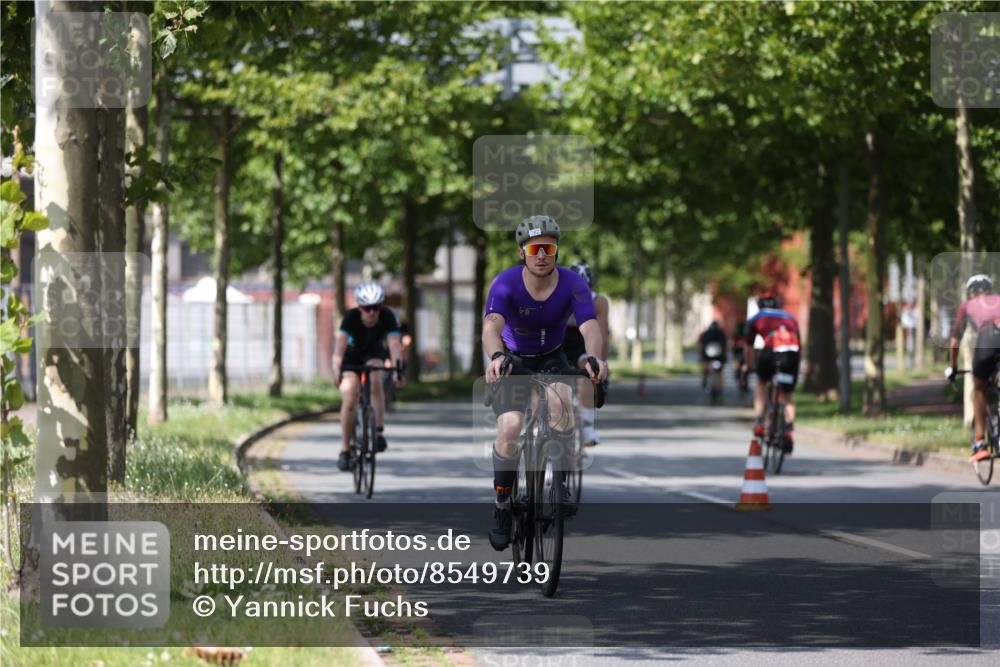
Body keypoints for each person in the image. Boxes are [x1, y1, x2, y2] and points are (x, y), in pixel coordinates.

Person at [483, 215, 608, 551]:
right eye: (535, 249)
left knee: (561, 402)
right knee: (511, 426)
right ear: (522, 252)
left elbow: (589, 325)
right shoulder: (505, 283)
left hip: (552, 356)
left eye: (548, 249)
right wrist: (496, 356)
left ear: (556, 252)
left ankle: (560, 484)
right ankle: (502, 505)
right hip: (513, 359)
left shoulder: (572, 283)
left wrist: (595, 357)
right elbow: (491, 326)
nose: (541, 255)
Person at [332, 282, 405, 472]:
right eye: (367, 308)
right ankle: (345, 449)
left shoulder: (387, 316)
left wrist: (398, 370)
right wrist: (336, 368)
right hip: (351, 359)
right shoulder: (350, 317)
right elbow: (339, 347)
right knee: (350, 394)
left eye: (376, 308)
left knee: (376, 379)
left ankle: (378, 431)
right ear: (359, 307)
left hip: (374, 354)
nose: (372, 312)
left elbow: (394, 344)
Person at [945, 274, 1000, 461]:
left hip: (988, 339)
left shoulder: (967, 306)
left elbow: (954, 342)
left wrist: (953, 366)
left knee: (979, 388)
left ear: (971, 293)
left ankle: (980, 444)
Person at [742, 291, 800, 453]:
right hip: (791, 355)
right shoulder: (790, 318)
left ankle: (760, 421)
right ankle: (788, 431)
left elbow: (748, 347)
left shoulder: (757, 318)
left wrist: (748, 366)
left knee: (761, 383)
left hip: (771, 352)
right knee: (787, 394)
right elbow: (799, 345)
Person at [564, 262, 610, 446]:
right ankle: (537, 417)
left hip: (584, 340)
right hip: (560, 338)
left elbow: (602, 333)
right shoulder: (558, 297)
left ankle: (587, 425)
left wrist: (601, 363)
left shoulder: (598, 301)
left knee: (589, 370)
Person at [698, 321, 727, 394]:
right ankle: (720, 389)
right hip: (719, 355)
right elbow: (726, 345)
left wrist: (701, 356)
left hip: (707, 354)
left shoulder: (706, 333)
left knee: (706, 365)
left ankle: (705, 374)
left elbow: (701, 345)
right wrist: (724, 356)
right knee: (719, 372)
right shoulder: (721, 333)